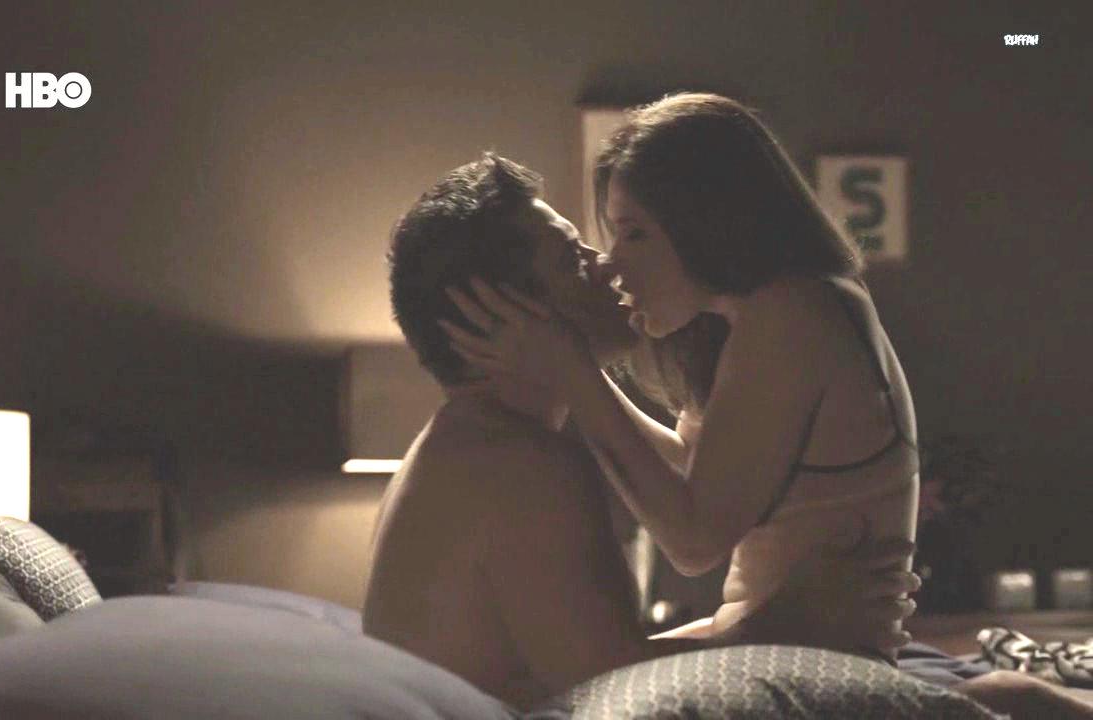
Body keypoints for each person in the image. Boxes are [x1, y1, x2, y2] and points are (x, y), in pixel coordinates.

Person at [441, 96, 1093, 717]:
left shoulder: (792, 314)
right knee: (556, 680)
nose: (614, 265)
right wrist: (573, 372)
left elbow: (694, 540)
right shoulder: (760, 317)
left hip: (819, 662)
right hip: (780, 641)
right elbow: (694, 470)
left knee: (567, 682)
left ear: (705, 221)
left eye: (634, 233)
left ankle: (1010, 701)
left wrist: (574, 374)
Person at [364, 152, 920, 711]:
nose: (607, 266)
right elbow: (619, 684)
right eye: (573, 258)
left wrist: (769, 624)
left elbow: (599, 661)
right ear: (507, 311)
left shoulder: (472, 444)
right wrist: (796, 622)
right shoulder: (519, 465)